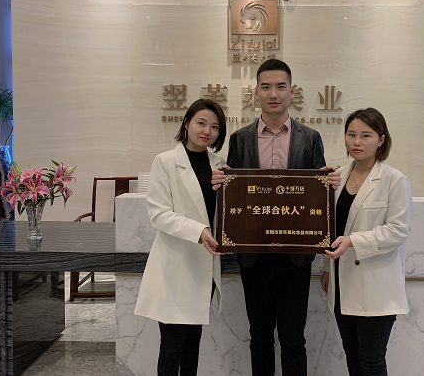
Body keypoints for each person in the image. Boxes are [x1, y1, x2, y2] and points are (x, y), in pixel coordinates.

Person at [212, 58, 341, 376]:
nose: (274, 94)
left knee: (294, 339)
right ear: (255, 92)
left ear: (292, 91)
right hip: (253, 254)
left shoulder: (310, 137)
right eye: (266, 87)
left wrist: (327, 183)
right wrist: (222, 183)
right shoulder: (239, 139)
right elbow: (236, 195)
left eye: (281, 86)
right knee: (259, 338)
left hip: (295, 257)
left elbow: (316, 199)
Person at [135, 98, 227, 376]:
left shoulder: (220, 165)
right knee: (172, 346)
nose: (207, 131)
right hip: (175, 266)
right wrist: (198, 231)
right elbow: (159, 214)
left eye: (214, 127)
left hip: (204, 268)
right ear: (186, 123)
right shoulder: (165, 161)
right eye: (201, 123)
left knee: (192, 344)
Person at [320, 107, 412, 376]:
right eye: (351, 135)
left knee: (372, 361)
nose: (357, 142)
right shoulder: (337, 177)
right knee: (352, 355)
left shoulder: (394, 179)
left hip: (376, 284)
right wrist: (326, 269)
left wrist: (353, 241)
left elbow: (398, 230)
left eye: (365, 135)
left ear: (381, 140)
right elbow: (329, 228)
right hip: (342, 282)